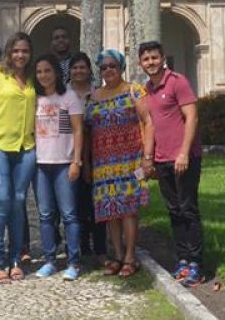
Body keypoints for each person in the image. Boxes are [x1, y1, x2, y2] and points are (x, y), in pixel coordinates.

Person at [138, 41, 204, 287]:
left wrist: (184, 153)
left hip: (184, 158)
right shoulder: (149, 89)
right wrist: (149, 157)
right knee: (174, 211)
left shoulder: (178, 82)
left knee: (188, 209)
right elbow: (152, 124)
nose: (151, 62)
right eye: (146, 59)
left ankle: (197, 263)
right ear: (140, 63)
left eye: (154, 57)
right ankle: (183, 260)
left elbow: (192, 117)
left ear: (163, 58)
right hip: (163, 159)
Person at [0, 32, 37, 284]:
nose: (20, 55)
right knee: (0, 202)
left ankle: (15, 259)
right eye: (16, 51)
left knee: (18, 201)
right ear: (8, 52)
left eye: (24, 51)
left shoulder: (33, 78)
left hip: (27, 147)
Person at [85, 48, 151, 278]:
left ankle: (131, 256)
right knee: (110, 211)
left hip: (130, 160)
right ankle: (117, 253)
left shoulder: (134, 91)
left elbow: (148, 122)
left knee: (128, 210)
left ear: (121, 67)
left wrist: (147, 157)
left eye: (113, 66)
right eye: (103, 67)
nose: (108, 70)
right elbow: (86, 131)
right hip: (103, 163)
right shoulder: (93, 97)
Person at [33, 53, 84, 280]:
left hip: (64, 163)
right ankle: (50, 260)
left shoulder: (69, 97)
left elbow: (78, 130)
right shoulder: (34, 99)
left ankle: (73, 262)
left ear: (56, 73)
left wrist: (77, 161)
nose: (43, 75)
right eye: (39, 72)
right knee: (45, 215)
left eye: (48, 70)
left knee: (69, 214)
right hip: (41, 165)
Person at [67, 51, 107, 263]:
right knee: (76, 202)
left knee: (97, 202)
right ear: (69, 71)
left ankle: (100, 247)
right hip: (69, 153)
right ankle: (81, 245)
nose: (78, 71)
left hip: (97, 152)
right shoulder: (64, 94)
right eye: (75, 67)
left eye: (82, 67)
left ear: (89, 70)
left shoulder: (98, 94)